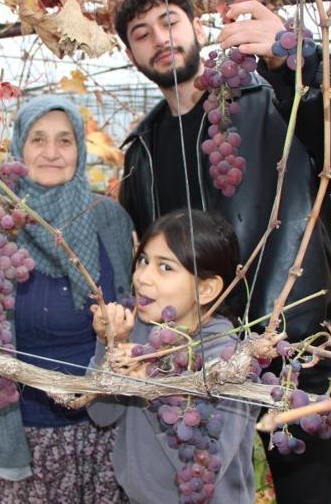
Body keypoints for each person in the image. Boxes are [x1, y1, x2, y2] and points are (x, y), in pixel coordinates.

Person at [113, 0, 331, 502]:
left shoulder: (274, 102)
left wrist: (306, 59)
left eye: (170, 21)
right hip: (196, 366)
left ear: (197, 27)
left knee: (307, 493)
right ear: (131, 53)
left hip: (292, 349)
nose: (159, 37)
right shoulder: (140, 154)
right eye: (141, 33)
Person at [0, 94, 134, 502]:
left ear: (80, 150)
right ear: (19, 147)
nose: (51, 152)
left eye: (65, 141)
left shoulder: (108, 217)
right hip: (20, 430)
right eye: (38, 139)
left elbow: (130, 301)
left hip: (102, 427)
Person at [87, 209, 257, 503]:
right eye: (143, 261)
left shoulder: (227, 361)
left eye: (165, 267)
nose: (142, 278)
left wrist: (155, 387)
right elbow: (100, 414)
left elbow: (202, 470)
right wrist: (109, 343)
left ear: (206, 288)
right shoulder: (140, 329)